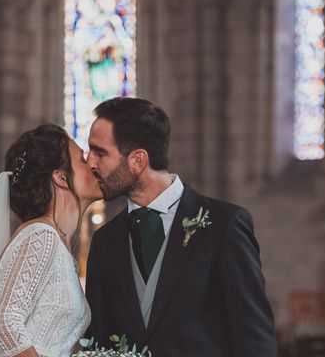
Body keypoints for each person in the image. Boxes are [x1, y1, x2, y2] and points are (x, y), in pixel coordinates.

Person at [85, 97, 277, 356]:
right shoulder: (104, 242)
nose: (90, 163)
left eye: (100, 152)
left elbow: (254, 338)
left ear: (137, 161)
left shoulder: (224, 225)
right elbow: (99, 339)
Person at [0, 124, 103, 357]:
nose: (93, 165)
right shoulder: (40, 236)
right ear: (61, 177)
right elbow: (1, 322)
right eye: (82, 160)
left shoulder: (57, 242)